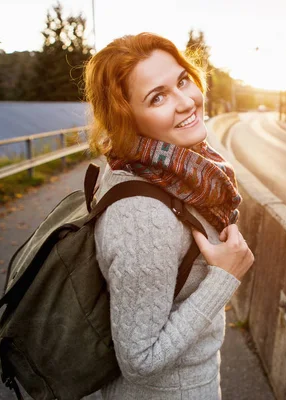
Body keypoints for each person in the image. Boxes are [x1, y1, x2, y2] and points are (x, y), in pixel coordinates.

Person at [83, 32, 254, 400]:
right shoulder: (142, 217)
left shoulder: (181, 174)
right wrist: (224, 278)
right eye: (157, 97)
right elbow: (139, 359)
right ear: (126, 117)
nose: (186, 102)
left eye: (181, 81)